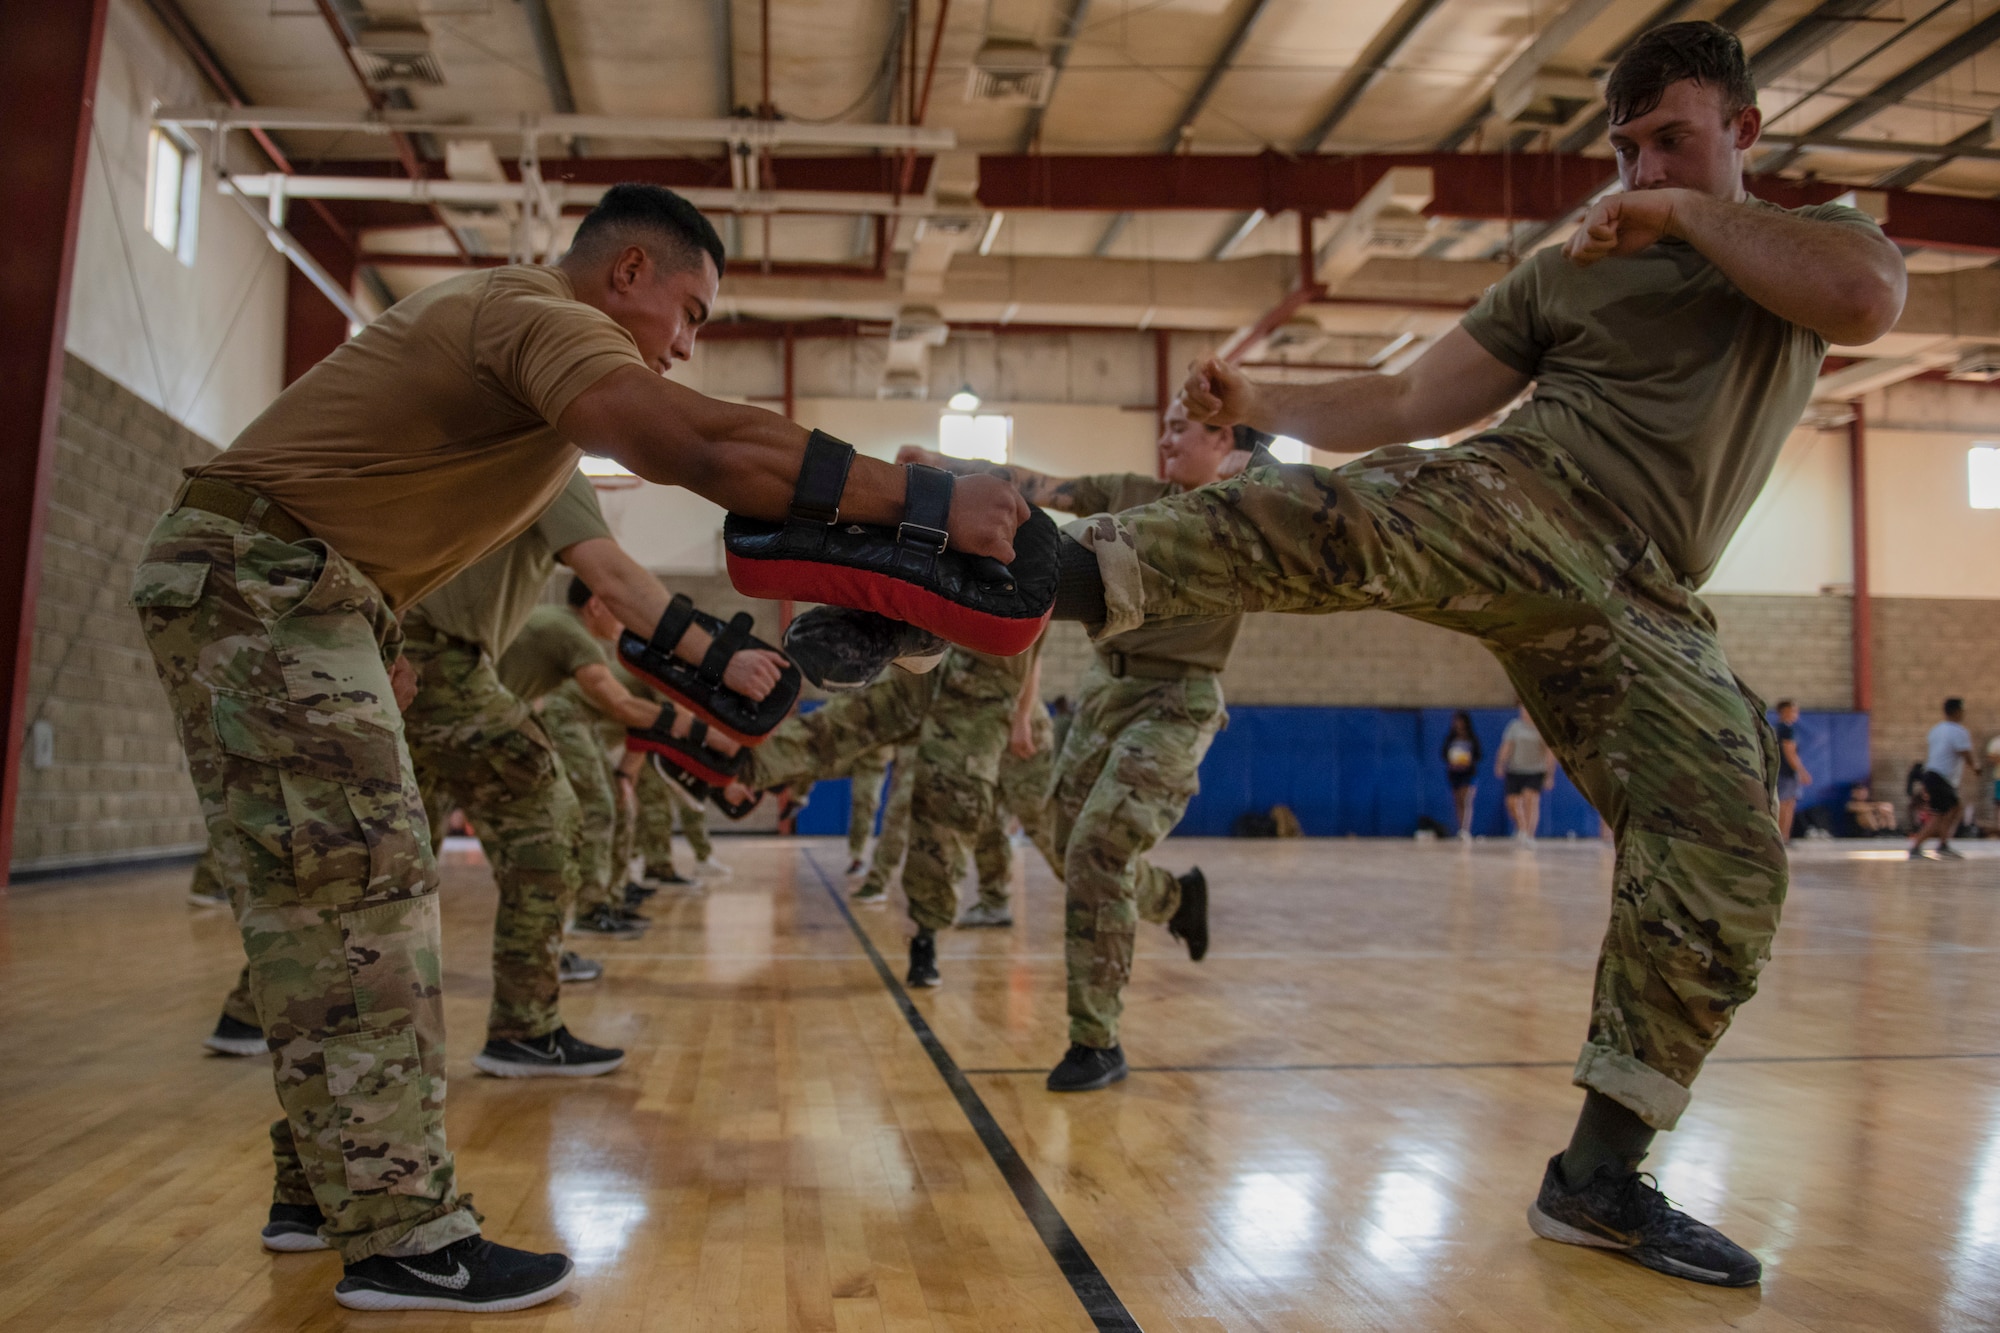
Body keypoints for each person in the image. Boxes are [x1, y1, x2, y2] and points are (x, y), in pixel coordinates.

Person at [1043, 20, 1904, 1286]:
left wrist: (1675, 217)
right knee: (1366, 518)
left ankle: (1598, 1177)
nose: (1641, 167)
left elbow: (1864, 303)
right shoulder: (1565, 275)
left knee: (1728, 852)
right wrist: (1263, 403)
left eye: (1669, 138)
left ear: (1742, 131)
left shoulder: (1812, 238)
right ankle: (1030, 576)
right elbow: (1402, 405)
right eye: (1624, 148)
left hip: (1648, 596)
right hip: (1540, 495)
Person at [129, 181, 1024, 1312]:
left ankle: (327, 1191)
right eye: (689, 312)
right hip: (261, 582)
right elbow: (695, 442)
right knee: (358, 885)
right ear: (627, 275)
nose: (687, 343)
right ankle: (400, 1232)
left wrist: (725, 665)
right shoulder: (538, 319)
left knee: (347, 887)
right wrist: (925, 500)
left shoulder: (538, 421)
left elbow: (620, 580)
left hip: (310, 594)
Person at [899, 402, 1277, 1089]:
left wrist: (1260, 435)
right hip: (1107, 695)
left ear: (1223, 438)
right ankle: (1174, 899)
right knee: (1069, 844)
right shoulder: (1129, 493)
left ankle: (1096, 1041)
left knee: (1099, 846)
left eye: (1181, 428)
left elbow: (1300, 498)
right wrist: (944, 471)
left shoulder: (1242, 510)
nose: (1165, 438)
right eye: (1162, 426)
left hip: (1178, 702)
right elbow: (1035, 487)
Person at [1910, 697, 1973, 860]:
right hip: (1940, 778)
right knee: (1940, 815)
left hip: (1932, 775)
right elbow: (1966, 754)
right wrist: (1976, 768)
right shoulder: (1959, 732)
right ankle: (1916, 846)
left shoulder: (1936, 730)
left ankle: (1943, 844)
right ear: (1957, 711)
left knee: (1954, 808)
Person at [1495, 706, 1554, 843]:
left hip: (1535, 770)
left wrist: (1549, 774)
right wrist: (1500, 763)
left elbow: (1549, 752)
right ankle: (1521, 827)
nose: (1525, 713)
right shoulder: (1515, 726)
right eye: (1523, 710)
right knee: (1512, 802)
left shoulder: (1541, 727)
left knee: (1530, 799)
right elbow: (1507, 746)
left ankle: (1529, 834)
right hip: (1515, 769)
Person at [1772, 700, 1812, 841]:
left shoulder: (1776, 728)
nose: (1796, 714)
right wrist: (1801, 771)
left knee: (1787, 803)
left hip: (1780, 771)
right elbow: (1790, 752)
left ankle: (1784, 836)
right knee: (1786, 804)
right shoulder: (1786, 729)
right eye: (1792, 710)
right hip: (1786, 773)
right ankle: (1782, 837)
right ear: (1783, 711)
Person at [1442, 711, 1481, 839]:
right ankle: (1461, 828)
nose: (1458, 724)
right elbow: (1444, 754)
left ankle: (1466, 829)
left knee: (1466, 800)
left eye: (1460, 721)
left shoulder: (1472, 738)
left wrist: (1468, 761)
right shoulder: (1450, 739)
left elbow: (1478, 755)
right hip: (1455, 773)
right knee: (1458, 801)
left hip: (1468, 774)